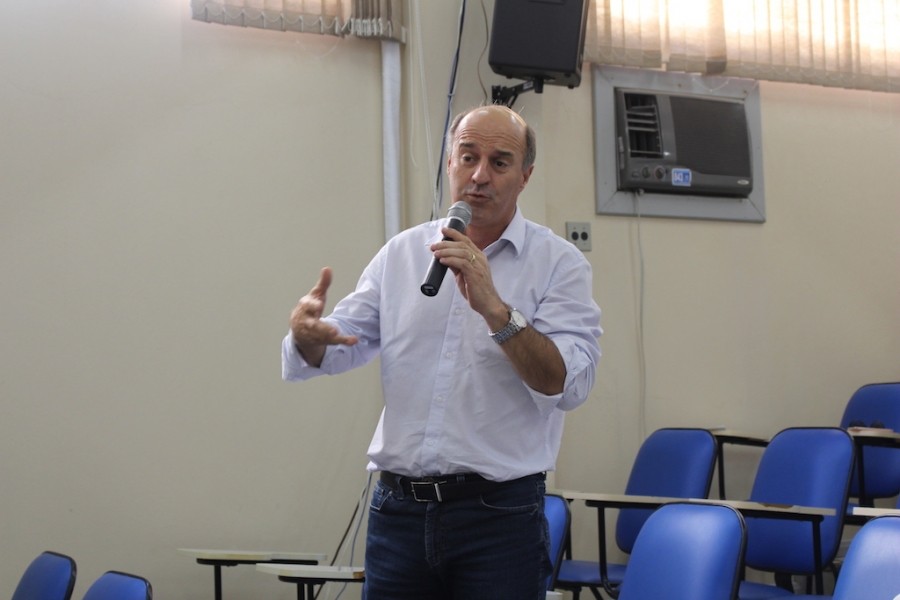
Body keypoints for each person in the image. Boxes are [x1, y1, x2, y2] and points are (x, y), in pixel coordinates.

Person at [282, 104, 602, 599]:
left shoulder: (559, 264)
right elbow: (342, 343)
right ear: (450, 163)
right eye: (467, 157)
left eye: (499, 162)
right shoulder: (402, 254)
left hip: (499, 517)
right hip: (398, 513)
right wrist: (308, 337)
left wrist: (497, 311)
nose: (479, 176)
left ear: (525, 176)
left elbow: (566, 385)